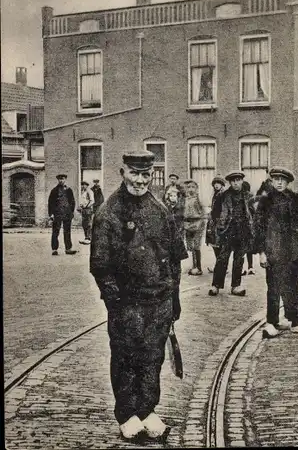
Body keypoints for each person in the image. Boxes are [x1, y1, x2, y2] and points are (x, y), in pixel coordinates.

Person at [90, 151, 186, 443]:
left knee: (152, 357)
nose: (141, 180)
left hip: (158, 301)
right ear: (123, 172)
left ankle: (147, 410)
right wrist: (114, 301)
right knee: (125, 356)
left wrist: (174, 300)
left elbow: (173, 260)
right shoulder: (108, 213)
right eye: (134, 173)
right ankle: (127, 415)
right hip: (126, 302)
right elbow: (100, 265)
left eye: (146, 174)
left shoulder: (161, 211)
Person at [254, 167, 298, 338]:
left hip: (293, 250)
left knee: (292, 286)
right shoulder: (265, 201)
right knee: (273, 288)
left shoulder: (294, 198)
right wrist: (261, 252)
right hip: (273, 250)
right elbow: (258, 228)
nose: (279, 182)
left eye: (283, 179)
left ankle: (293, 320)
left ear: (288, 182)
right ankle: (272, 323)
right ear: (272, 181)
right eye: (276, 179)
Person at [208, 170, 254, 297]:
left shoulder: (248, 196)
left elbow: (253, 212)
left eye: (238, 180)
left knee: (239, 259)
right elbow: (215, 212)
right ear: (229, 182)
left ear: (242, 181)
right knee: (222, 258)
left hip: (242, 231)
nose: (236, 183)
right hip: (227, 232)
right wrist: (220, 226)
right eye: (233, 181)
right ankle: (216, 285)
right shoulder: (223, 196)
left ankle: (236, 286)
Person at [163, 188, 188, 296]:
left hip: (177, 236)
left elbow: (182, 221)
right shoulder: (165, 208)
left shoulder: (180, 208)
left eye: (175, 196)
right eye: (171, 196)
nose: (173, 198)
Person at [48, 174, 77, 256]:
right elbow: (50, 203)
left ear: (65, 179)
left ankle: (68, 249)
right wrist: (51, 214)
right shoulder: (54, 190)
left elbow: (72, 202)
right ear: (58, 180)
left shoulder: (69, 190)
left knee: (67, 232)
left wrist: (71, 212)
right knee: (55, 232)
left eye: (63, 179)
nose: (61, 180)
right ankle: (54, 249)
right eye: (59, 179)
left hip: (67, 214)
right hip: (57, 214)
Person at [183, 179, 205, 276]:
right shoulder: (185, 199)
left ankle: (198, 267)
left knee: (196, 246)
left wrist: (201, 219)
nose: (191, 189)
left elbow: (203, 211)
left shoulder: (198, 199)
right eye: (189, 187)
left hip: (197, 223)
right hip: (187, 224)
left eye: (193, 187)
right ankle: (194, 265)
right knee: (190, 246)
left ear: (196, 189)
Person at [206, 175, 226, 273]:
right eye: (215, 184)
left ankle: (221, 267)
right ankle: (220, 266)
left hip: (220, 222)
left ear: (222, 185)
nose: (216, 185)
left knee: (219, 245)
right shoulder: (216, 194)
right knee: (215, 244)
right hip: (214, 222)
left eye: (219, 183)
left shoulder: (222, 195)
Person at [241, 181, 255, 276]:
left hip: (245, 225)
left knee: (242, 248)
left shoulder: (244, 197)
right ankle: (250, 267)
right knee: (247, 248)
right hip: (248, 225)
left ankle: (243, 268)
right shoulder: (251, 197)